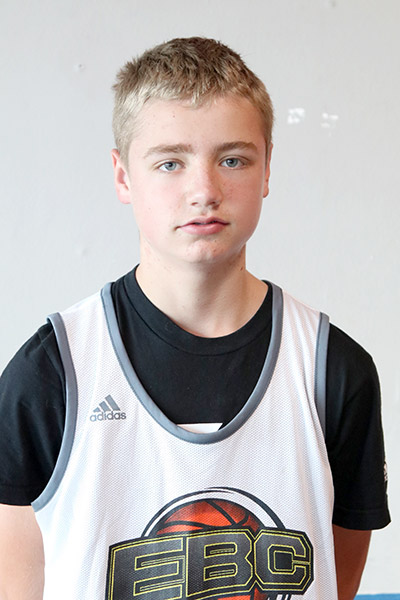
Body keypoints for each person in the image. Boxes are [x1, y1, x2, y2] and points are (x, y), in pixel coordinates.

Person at [0, 37, 389, 600]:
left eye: (232, 160)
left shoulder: (334, 370)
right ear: (123, 176)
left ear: (267, 169)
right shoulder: (52, 373)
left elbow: (335, 577)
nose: (204, 190)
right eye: (170, 163)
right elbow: (18, 585)